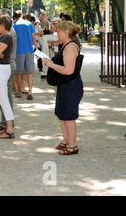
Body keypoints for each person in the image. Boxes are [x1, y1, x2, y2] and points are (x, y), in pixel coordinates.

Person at [43, 21, 83, 155]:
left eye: (59, 30)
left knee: (69, 116)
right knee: (62, 114)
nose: (56, 33)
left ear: (66, 32)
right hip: (64, 84)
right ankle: (66, 140)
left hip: (70, 85)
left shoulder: (70, 47)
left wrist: (51, 64)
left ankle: (73, 146)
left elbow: (68, 70)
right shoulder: (65, 44)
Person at [13, 10, 37, 100]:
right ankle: (30, 91)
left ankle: (19, 92)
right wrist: (37, 49)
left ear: (14, 17)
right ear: (22, 15)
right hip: (29, 50)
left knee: (19, 72)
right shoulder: (29, 24)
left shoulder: (14, 26)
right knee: (29, 72)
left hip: (19, 50)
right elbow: (33, 37)